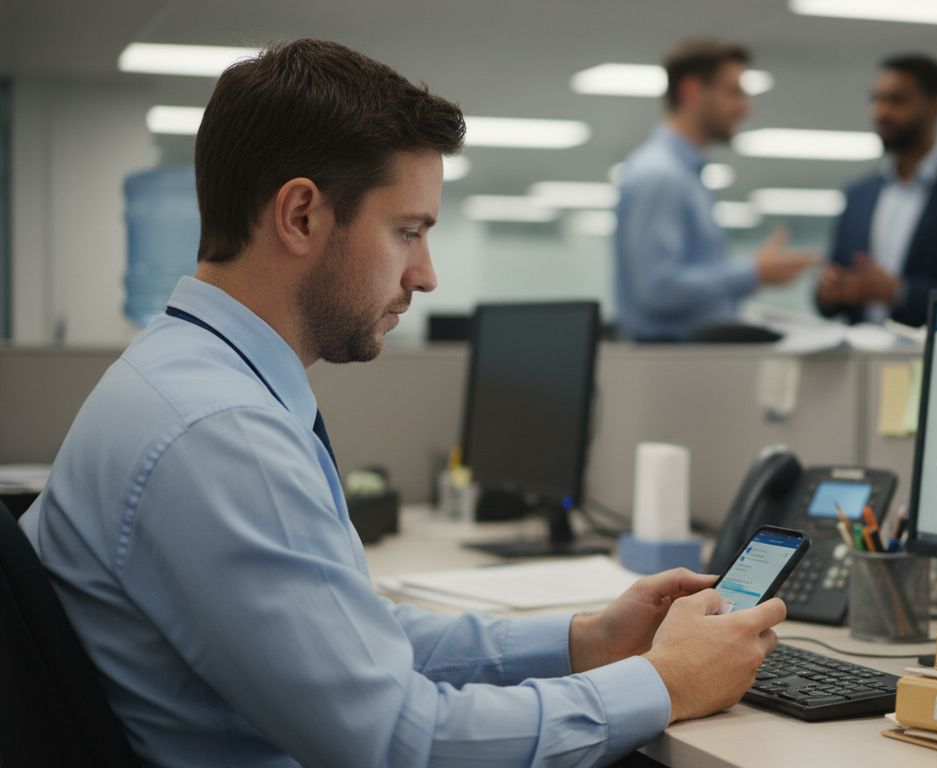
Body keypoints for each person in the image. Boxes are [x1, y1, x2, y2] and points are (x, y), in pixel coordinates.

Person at [20, 39, 785, 767]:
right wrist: (665, 682)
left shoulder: (187, 376)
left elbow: (349, 640)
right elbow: (402, 747)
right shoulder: (221, 434)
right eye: (407, 231)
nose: (425, 275)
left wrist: (587, 640)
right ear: (301, 216)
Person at [614, 39, 818, 341]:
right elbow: (658, 290)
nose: (745, 108)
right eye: (733, 93)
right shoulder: (661, 176)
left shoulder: (685, 176)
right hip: (669, 367)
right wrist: (752, 273)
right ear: (693, 91)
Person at [816, 54, 937, 328]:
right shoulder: (858, 195)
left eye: (896, 101)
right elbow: (830, 295)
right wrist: (827, 291)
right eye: (876, 99)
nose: (880, 113)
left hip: (933, 361)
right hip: (859, 360)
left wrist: (901, 293)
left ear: (935, 106)